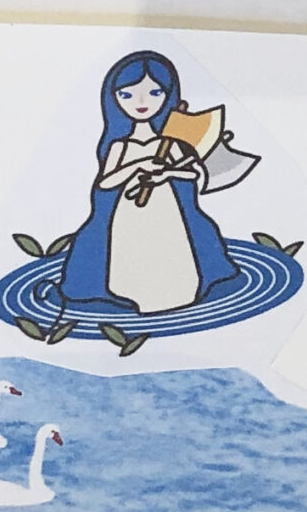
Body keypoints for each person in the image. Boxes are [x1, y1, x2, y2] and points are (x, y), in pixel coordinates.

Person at [58, 50, 242, 317]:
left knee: (170, 247)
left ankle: (177, 295)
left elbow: (192, 173)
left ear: (168, 96)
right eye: (127, 95)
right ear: (114, 99)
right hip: (128, 212)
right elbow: (106, 183)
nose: (142, 102)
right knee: (132, 251)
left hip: (166, 209)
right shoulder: (120, 146)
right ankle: (132, 295)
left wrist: (167, 174)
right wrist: (137, 166)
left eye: (155, 93)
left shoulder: (170, 141)